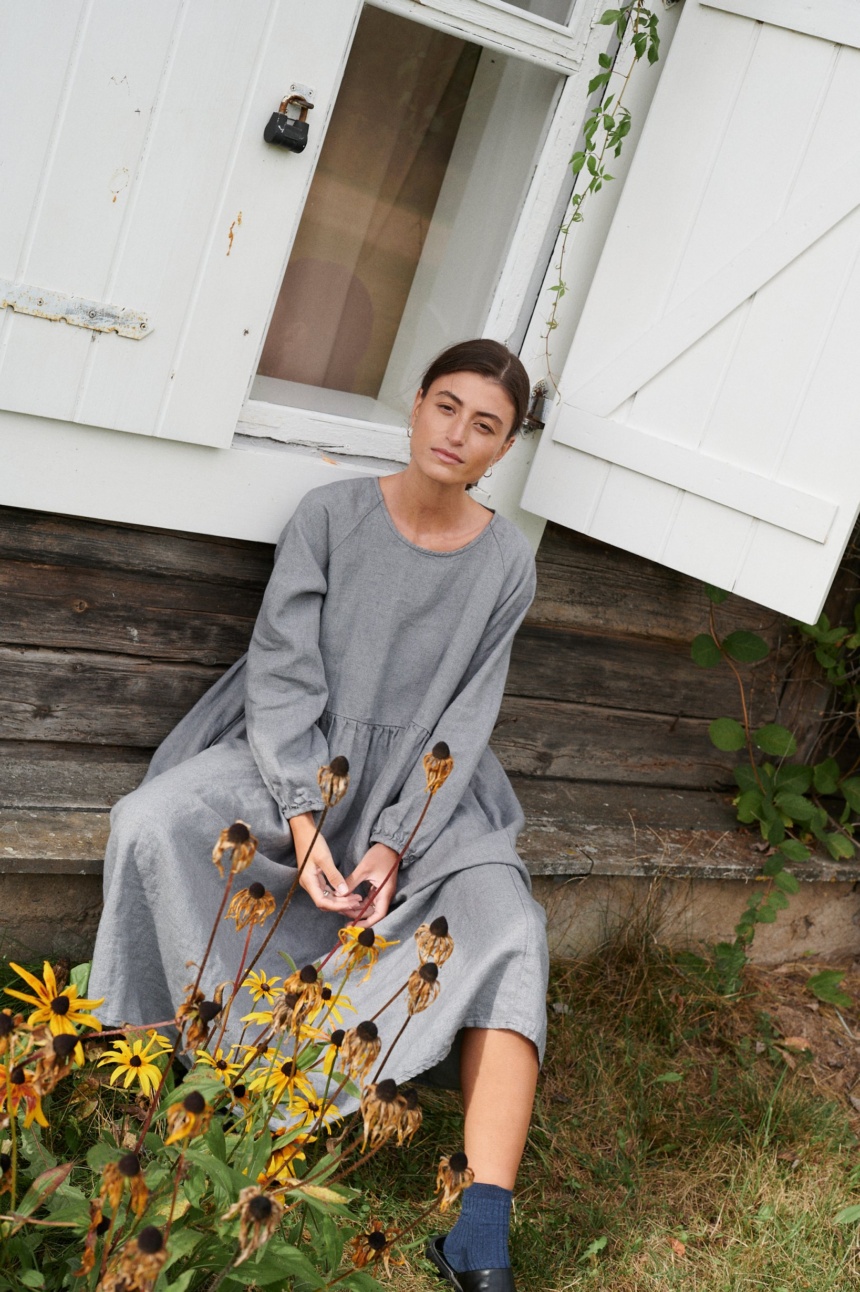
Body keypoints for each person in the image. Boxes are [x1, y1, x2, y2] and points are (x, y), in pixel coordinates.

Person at [89, 338, 549, 1292]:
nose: (459, 434)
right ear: (416, 404)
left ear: (505, 449)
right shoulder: (331, 515)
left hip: (430, 782)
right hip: (291, 752)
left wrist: (392, 843)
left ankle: (482, 1230)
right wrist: (305, 823)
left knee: (510, 924)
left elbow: (465, 718)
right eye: (448, 406)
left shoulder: (506, 562)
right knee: (151, 819)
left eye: (487, 425)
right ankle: (154, 1071)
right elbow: (283, 672)